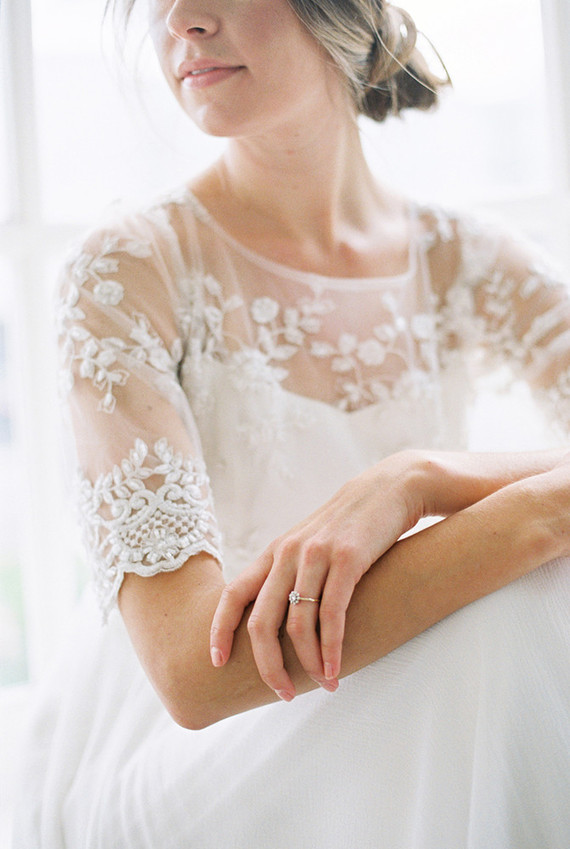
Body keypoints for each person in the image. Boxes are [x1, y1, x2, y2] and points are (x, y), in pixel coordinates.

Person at [13, 0, 570, 846]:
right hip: (208, 736)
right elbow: (194, 680)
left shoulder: (466, 258)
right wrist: (538, 514)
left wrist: (419, 476)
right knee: (510, 615)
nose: (181, 21)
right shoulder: (127, 273)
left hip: (422, 689)